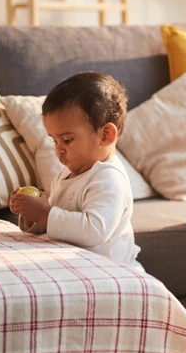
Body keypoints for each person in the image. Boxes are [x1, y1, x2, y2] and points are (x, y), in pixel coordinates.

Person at [9, 72, 142, 270]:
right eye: (54, 140)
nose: (58, 149)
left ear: (105, 135)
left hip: (112, 273)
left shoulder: (109, 177)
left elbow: (94, 231)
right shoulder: (67, 175)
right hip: (77, 268)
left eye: (67, 140)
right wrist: (32, 214)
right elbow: (58, 227)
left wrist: (44, 212)